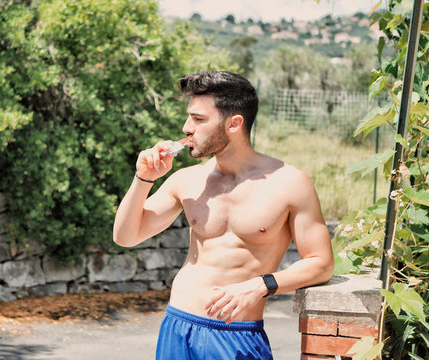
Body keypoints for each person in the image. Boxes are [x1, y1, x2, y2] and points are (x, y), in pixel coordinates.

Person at [112, 71, 334, 360]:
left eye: (199, 119)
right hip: (178, 326)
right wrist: (143, 179)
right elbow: (126, 236)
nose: (186, 127)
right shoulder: (187, 180)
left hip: (237, 335)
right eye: (189, 117)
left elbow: (322, 263)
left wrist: (261, 285)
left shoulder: (290, 183)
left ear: (234, 123)